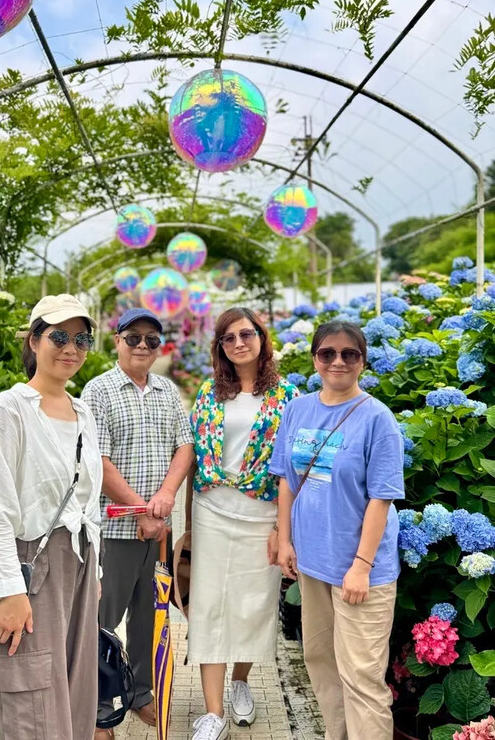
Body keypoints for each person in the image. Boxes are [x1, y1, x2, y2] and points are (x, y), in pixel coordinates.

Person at [0, 294, 103, 740]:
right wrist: (8, 589)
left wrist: (95, 570)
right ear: (34, 340)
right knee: (33, 697)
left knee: (76, 689)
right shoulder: (9, 411)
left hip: (78, 564)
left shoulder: (83, 412)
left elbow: (89, 499)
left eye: (81, 338)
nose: (71, 348)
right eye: (59, 336)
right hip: (31, 566)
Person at [269, 321, 404, 740]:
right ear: (315, 359)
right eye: (328, 353)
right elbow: (287, 480)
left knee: (362, 677)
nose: (338, 361)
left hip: (360, 569)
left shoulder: (377, 418)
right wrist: (286, 540)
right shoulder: (298, 410)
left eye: (350, 354)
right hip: (313, 563)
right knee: (319, 659)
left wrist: (362, 566)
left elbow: (381, 498)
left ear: (362, 361)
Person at [81, 307, 194, 737]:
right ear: (117, 341)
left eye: (151, 339)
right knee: (102, 620)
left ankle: (141, 694)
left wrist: (164, 498)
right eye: (133, 338)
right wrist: (143, 510)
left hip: (158, 532)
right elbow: (100, 461)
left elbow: (184, 446)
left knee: (151, 617)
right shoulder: (99, 391)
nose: (142, 346)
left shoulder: (166, 390)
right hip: (115, 531)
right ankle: (99, 706)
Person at [187, 307, 298, 740]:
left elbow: (290, 467)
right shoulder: (210, 391)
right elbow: (194, 451)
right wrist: (185, 524)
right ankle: (213, 713)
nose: (238, 343)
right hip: (212, 507)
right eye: (228, 338)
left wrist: (281, 530)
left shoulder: (287, 396)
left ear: (261, 338)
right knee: (210, 604)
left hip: (262, 512)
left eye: (245, 334)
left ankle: (240, 680)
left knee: (253, 606)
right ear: (220, 347)